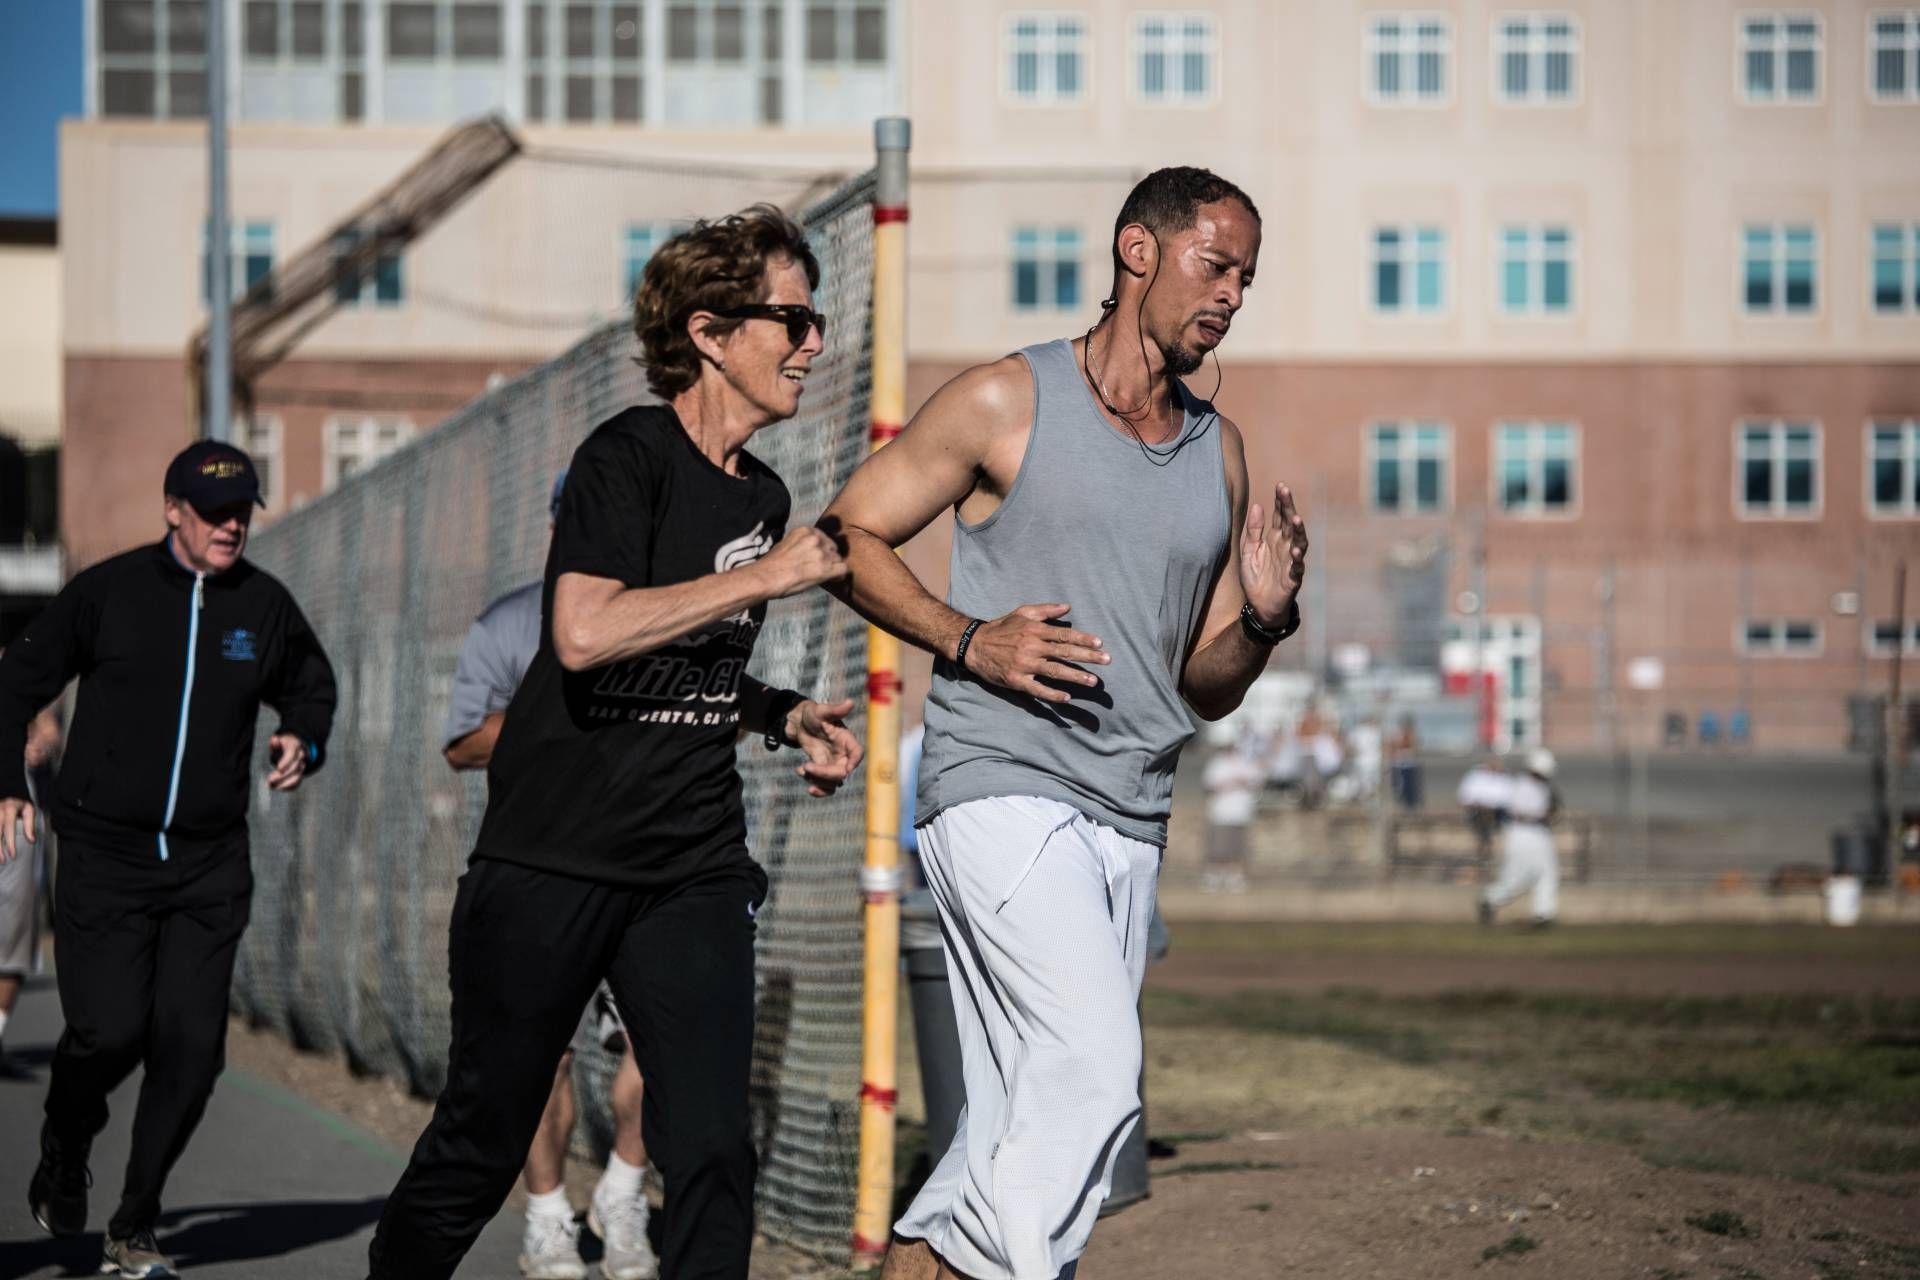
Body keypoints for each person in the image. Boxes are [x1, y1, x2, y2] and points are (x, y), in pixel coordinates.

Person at [822, 167, 1308, 1280]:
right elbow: (846, 533)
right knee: (1095, 1069)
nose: (1232, 294)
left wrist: (1269, 621)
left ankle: (923, 1257)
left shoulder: (1215, 452)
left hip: (1130, 817)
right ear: (1139, 250)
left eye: (1247, 278)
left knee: (1014, 1126)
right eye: (1215, 264)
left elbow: (1202, 677)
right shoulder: (1007, 400)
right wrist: (966, 637)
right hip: (998, 786)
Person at [366, 205, 865, 1280]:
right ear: (709, 331)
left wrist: (778, 710)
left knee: (715, 1145)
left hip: (686, 863)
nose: (814, 342)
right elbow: (587, 632)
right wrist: (770, 576)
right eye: (794, 317)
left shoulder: (763, 494)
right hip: (549, 859)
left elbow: (688, 663)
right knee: (481, 1138)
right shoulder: (622, 457)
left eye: (816, 319)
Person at [1, 440, 337, 1279]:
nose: (232, 526)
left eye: (242, 513)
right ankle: (66, 1138)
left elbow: (311, 681)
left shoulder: (261, 606)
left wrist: (305, 734)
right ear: (172, 510)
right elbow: (15, 682)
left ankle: (135, 1224)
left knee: (191, 1047)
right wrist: (8, 782)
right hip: (104, 854)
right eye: (215, 512)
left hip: (207, 863)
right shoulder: (109, 593)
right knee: (108, 1029)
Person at [441, 472, 656, 1280]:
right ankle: (546, 1218)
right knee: (544, 1058)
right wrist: (555, 715)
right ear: (561, 525)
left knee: (664, 1046)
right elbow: (461, 741)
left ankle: (626, 1192)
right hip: (540, 871)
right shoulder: (506, 622)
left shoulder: (665, 614)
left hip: (642, 866)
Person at [0, 703, 59, 1078]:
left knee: (15, 932)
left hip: (17, 814)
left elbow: (50, 730)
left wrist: (40, 742)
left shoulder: (31, 659)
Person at [1478, 750, 1561, 928]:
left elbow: (1550, 810)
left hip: (1538, 834)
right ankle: (1489, 900)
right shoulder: (1520, 784)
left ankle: (1543, 914)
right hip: (1521, 832)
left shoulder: (1542, 787)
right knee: (1516, 877)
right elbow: (1513, 810)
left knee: (1547, 873)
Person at [1200, 740, 1263, 893]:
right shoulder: (1217, 763)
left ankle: (1235, 876)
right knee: (1217, 847)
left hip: (1240, 813)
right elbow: (1210, 784)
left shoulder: (1246, 762)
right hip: (1220, 813)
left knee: (1238, 848)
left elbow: (1256, 779)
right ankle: (1214, 876)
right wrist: (1232, 782)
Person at [1457, 755, 1509, 865]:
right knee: (1484, 815)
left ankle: (1486, 846)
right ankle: (1485, 845)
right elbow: (1465, 796)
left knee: (1488, 815)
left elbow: (1508, 798)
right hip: (1478, 811)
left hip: (1498, 812)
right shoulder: (1475, 777)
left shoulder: (1504, 778)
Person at [1388, 715, 1423, 810]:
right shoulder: (1396, 735)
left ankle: (1410, 805)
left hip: (1409, 764)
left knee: (1410, 786)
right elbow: (1392, 748)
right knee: (1398, 786)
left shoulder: (1412, 734)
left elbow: (1414, 747)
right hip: (1398, 764)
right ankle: (1401, 804)